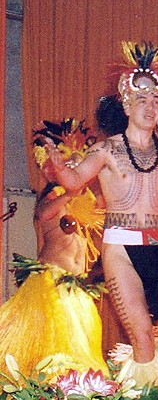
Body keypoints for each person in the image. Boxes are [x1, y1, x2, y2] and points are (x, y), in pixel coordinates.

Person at [45, 29, 158, 398]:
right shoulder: (108, 149)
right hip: (121, 250)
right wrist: (59, 166)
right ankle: (143, 389)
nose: (150, 105)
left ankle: (150, 386)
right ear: (126, 106)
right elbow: (76, 179)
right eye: (141, 98)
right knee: (142, 338)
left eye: (156, 99)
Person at [0, 119, 108, 377]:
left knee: (78, 349)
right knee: (52, 348)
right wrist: (71, 191)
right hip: (51, 282)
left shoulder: (84, 203)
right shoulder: (50, 197)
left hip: (77, 286)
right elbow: (45, 214)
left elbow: (105, 204)